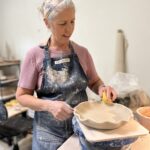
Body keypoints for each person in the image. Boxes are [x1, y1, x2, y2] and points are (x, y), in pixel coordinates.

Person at [16, 0, 117, 149]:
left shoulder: (82, 53)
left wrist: (103, 89)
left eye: (72, 21)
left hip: (82, 130)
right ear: (47, 23)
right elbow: (21, 96)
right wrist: (49, 106)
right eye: (62, 23)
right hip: (48, 136)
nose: (69, 29)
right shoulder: (34, 55)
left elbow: (95, 81)